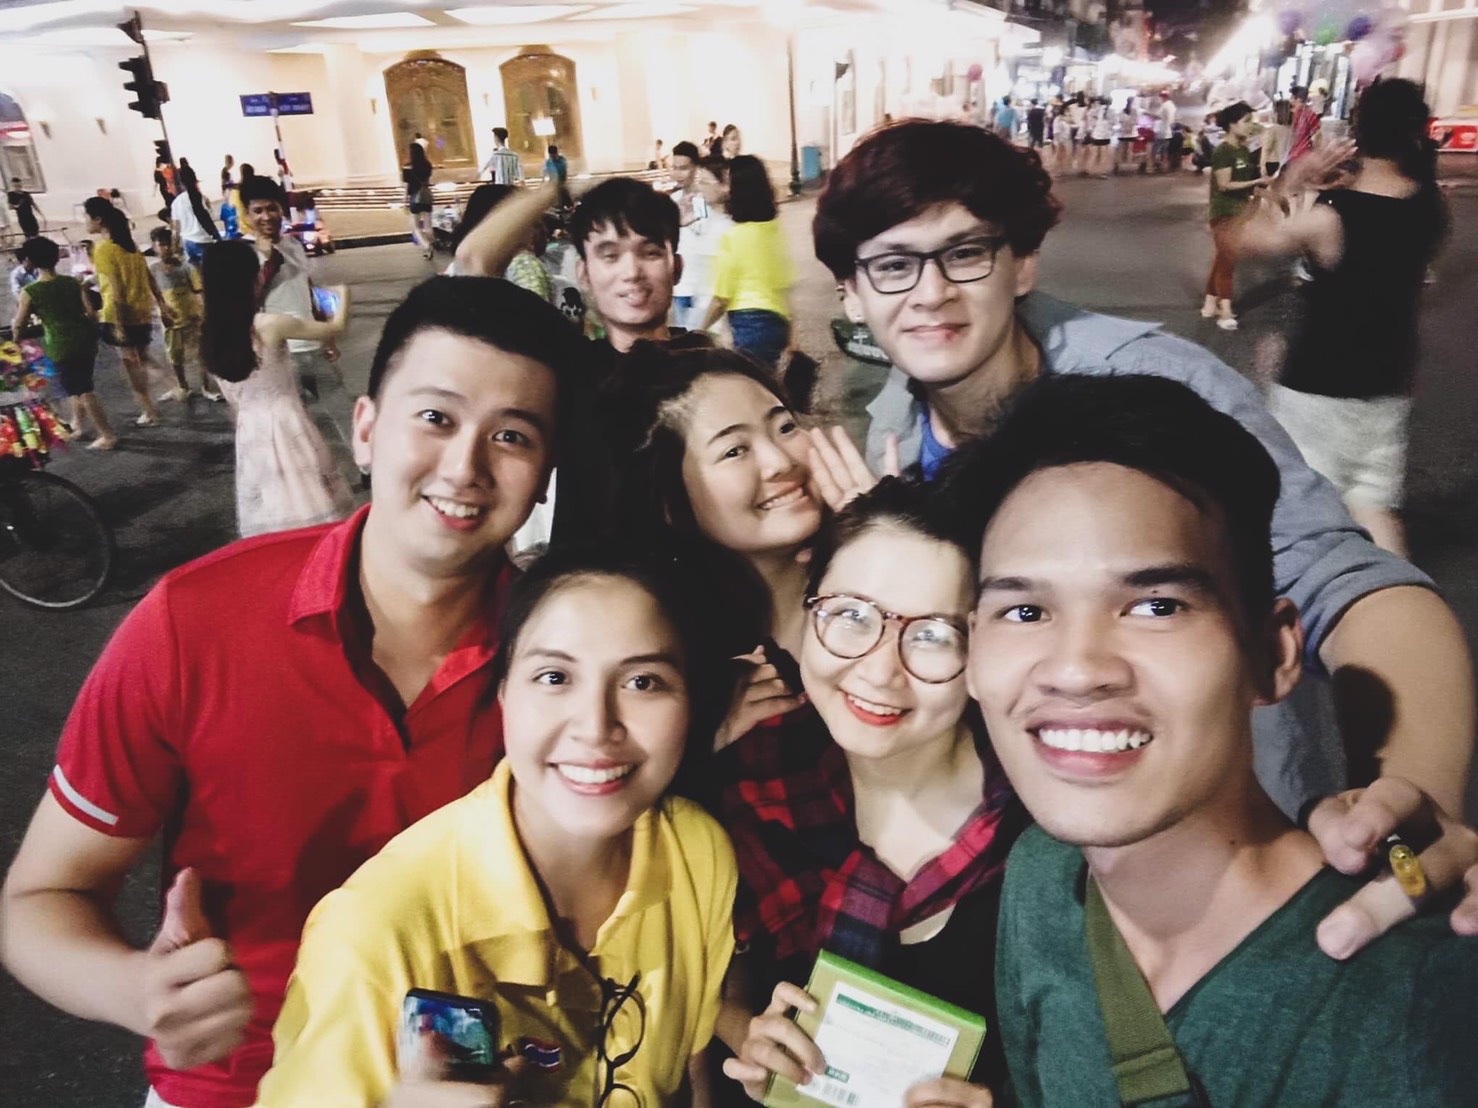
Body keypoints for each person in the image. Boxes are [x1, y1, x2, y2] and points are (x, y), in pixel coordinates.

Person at [811, 118, 1478, 945]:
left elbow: (1349, 585)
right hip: (1055, 862)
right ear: (852, 292)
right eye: (892, 264)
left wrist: (1410, 799)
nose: (930, 292)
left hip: (1233, 854)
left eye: (965, 253)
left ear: (1023, 262)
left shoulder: (1151, 389)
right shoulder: (895, 432)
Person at [0, 276, 588, 1108]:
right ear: (366, 430)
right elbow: (39, 898)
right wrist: (137, 991)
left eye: (512, 436)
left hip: (469, 1083)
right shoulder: (195, 621)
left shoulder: (563, 664)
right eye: (436, 417)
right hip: (237, 1085)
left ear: (544, 475)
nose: (465, 466)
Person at [956, 373, 1478, 1107]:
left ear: (1271, 653)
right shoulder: (1042, 881)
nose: (1075, 669)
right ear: (972, 653)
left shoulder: (1417, 1006)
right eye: (1024, 612)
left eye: (1156, 605)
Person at [254, 547, 739, 1106]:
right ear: (505, 692)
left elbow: (683, 1071)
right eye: (554, 677)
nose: (595, 726)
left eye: (644, 682)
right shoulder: (374, 933)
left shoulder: (696, 851)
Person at [718, 479, 1024, 1107]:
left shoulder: (1046, 835)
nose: (881, 671)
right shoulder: (756, 781)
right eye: (852, 616)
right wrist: (746, 1032)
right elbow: (722, 973)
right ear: (807, 612)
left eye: (933, 635)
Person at [1236, 79, 1449, 559]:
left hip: (1318, 382)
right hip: (1389, 379)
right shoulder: (1430, 205)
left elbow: (1245, 240)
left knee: (1304, 510)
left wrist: (1292, 179)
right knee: (1374, 506)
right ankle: (1395, 594)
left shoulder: (1333, 216)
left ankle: (1309, 598)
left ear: (1358, 129)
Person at [199, 240, 355, 538]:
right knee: (308, 497)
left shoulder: (210, 335)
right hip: (287, 423)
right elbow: (336, 328)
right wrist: (343, 294)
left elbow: (232, 400)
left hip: (249, 431)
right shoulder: (269, 325)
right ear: (251, 279)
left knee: (272, 504)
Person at [10, 236, 116, 450]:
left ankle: (107, 435)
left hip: (61, 344)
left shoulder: (31, 291)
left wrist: (14, 342)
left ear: (31, 260)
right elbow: (91, 313)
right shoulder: (72, 282)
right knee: (76, 384)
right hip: (85, 340)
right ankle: (78, 425)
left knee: (82, 390)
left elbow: (19, 324)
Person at [240, 174, 336, 402]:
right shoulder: (244, 254)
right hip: (280, 352)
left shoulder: (293, 244)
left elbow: (308, 291)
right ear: (247, 214)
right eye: (258, 211)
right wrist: (266, 259)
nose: (266, 217)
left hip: (312, 342)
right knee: (292, 414)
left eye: (271, 208)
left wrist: (327, 334)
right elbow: (247, 303)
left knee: (337, 409)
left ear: (281, 208)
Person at [83, 194, 174, 425]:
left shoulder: (104, 250)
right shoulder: (130, 246)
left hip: (119, 315)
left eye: (87, 217)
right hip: (141, 311)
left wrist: (119, 325)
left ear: (98, 219)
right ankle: (172, 385)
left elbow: (116, 291)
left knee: (131, 367)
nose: (85, 221)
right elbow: (148, 277)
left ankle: (150, 411)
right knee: (142, 357)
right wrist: (161, 305)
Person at [699, 155, 793, 367]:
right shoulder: (774, 230)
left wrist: (699, 329)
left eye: (728, 182)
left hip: (749, 323)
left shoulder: (734, 236)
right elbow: (784, 284)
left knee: (750, 383)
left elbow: (722, 297)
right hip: (778, 322)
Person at [1203, 101, 1271, 331]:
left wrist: (1261, 190)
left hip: (1239, 212)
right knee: (1228, 261)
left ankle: (1209, 303)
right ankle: (1225, 312)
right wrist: (1256, 181)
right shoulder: (1223, 151)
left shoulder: (1243, 150)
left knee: (1223, 259)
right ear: (1231, 125)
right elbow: (1224, 184)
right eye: (1245, 121)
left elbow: (1248, 183)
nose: (1249, 126)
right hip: (1223, 212)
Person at [445, 184, 553, 304]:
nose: (543, 230)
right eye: (534, 223)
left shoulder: (456, 268)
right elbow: (534, 310)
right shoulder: (523, 263)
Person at [148, 227, 221, 403]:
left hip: (192, 317)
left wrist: (203, 313)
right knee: (174, 356)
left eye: (168, 244)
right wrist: (162, 311)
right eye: (161, 245)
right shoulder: (153, 270)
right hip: (171, 321)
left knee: (200, 354)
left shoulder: (186, 266)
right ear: (154, 247)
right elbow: (153, 294)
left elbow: (198, 290)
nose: (166, 248)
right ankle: (183, 386)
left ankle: (206, 387)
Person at [669, 140, 721, 330]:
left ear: (695, 168)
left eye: (683, 168)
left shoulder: (701, 200)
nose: (678, 173)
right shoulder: (672, 200)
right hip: (679, 287)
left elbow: (701, 229)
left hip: (702, 287)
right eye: (675, 168)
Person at [169, 162, 221, 269]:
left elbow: (175, 230)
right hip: (204, 240)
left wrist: (174, 249)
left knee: (197, 274)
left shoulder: (176, 203)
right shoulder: (202, 198)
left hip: (188, 243)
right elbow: (211, 219)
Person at [403, 143, 434, 260]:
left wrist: (404, 201)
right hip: (426, 196)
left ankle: (427, 246)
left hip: (415, 197)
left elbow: (406, 186)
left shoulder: (407, 168)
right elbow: (428, 180)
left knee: (416, 226)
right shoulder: (427, 165)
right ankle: (431, 244)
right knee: (428, 225)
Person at [1287, 84, 1324, 166]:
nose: (1290, 100)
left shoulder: (1305, 115)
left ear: (1298, 99)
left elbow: (1317, 135)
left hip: (1299, 155)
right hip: (1299, 155)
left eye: (1292, 97)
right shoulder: (1309, 114)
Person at [1262, 98, 1292, 179]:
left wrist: (1262, 167)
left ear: (1276, 113)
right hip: (1287, 163)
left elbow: (1266, 149)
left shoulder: (1272, 129)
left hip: (1273, 163)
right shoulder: (1291, 130)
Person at [1153, 89, 1177, 171]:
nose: (1160, 99)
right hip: (1168, 131)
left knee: (1157, 149)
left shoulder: (1164, 106)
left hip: (1162, 130)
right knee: (1165, 150)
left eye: (1161, 97)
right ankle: (1165, 165)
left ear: (1164, 97)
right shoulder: (1172, 105)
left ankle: (1158, 164)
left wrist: (1147, 114)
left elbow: (1158, 116)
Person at [543, 143, 571, 208]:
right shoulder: (548, 162)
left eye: (553, 155)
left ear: (556, 153)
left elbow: (563, 174)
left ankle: (565, 205)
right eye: (551, 155)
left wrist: (559, 183)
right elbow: (547, 174)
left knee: (561, 191)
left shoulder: (562, 161)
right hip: (552, 183)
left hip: (561, 183)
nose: (552, 157)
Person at [219, 154, 240, 238]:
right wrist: (235, 185)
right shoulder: (225, 172)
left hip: (228, 192)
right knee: (230, 210)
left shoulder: (226, 171)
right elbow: (226, 184)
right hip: (228, 192)